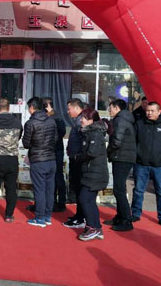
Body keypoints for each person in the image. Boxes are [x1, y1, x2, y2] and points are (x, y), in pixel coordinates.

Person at [131, 102, 161, 229]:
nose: (149, 113)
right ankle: (135, 213)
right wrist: (137, 154)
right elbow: (133, 141)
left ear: (159, 111)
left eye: (152, 111)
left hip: (160, 165)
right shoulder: (140, 123)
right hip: (141, 164)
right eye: (148, 110)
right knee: (138, 190)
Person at [22, 97, 57, 227]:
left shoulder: (31, 123)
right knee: (49, 189)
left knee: (40, 190)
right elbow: (55, 139)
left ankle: (40, 218)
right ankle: (47, 216)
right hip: (51, 158)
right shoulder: (51, 121)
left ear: (32, 107)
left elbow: (26, 143)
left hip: (38, 160)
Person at [75, 108, 109, 241]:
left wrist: (78, 157)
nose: (81, 120)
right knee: (89, 200)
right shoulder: (89, 133)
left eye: (84, 118)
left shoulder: (95, 133)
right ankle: (96, 227)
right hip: (91, 172)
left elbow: (91, 152)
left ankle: (92, 227)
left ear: (91, 120)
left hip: (95, 173)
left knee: (84, 198)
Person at [106, 99, 136, 231]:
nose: (109, 110)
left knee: (119, 190)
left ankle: (126, 220)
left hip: (122, 157)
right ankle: (120, 216)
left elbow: (117, 140)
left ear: (117, 108)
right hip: (124, 157)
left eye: (111, 108)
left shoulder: (120, 120)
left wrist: (108, 151)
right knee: (119, 188)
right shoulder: (124, 119)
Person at [64, 98, 86, 228]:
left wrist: (77, 156)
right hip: (75, 158)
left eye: (69, 109)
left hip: (78, 160)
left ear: (77, 107)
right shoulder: (77, 120)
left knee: (80, 188)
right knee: (77, 188)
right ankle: (78, 215)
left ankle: (81, 217)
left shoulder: (82, 120)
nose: (68, 111)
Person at [44, 97, 67, 212]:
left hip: (55, 150)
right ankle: (54, 201)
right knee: (55, 176)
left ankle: (60, 201)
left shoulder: (56, 118)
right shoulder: (55, 117)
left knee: (57, 176)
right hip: (54, 150)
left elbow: (60, 133)